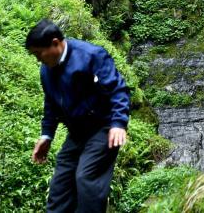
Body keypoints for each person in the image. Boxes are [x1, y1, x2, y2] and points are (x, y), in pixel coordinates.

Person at [26, 19, 131, 213]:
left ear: (56, 43)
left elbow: (118, 90)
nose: (38, 59)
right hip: (76, 133)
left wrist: (118, 123)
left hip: (104, 128)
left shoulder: (91, 55)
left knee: (86, 178)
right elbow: (51, 103)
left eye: (38, 53)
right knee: (60, 184)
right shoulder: (46, 70)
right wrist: (46, 135)